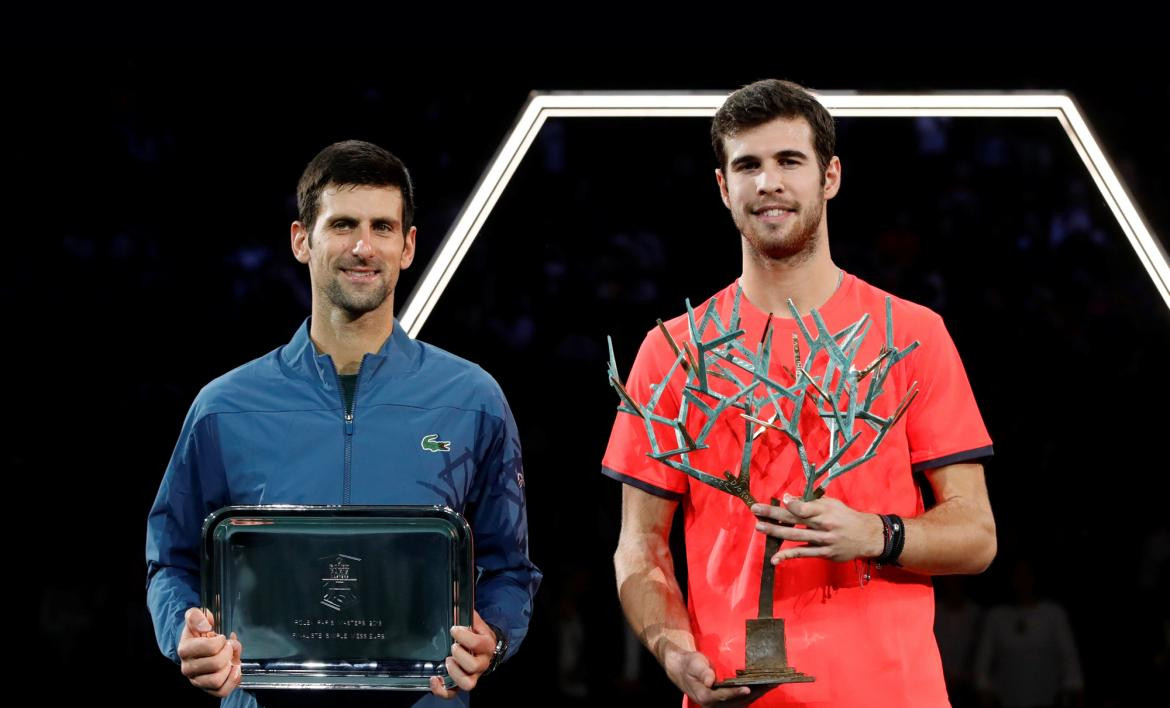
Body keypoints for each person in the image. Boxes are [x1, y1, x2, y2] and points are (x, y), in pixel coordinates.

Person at [604, 80, 997, 707]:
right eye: (748, 165)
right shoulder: (672, 351)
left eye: (790, 161)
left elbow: (976, 535)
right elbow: (641, 547)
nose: (768, 182)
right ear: (722, 187)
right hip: (732, 694)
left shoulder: (913, 334)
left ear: (830, 176)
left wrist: (877, 534)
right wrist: (674, 654)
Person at [146, 140, 541, 707]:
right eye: (342, 225)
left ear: (407, 247)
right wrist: (180, 631)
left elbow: (510, 568)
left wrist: (494, 636)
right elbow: (172, 559)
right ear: (301, 240)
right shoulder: (223, 407)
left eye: (383, 227)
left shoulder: (473, 399)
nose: (363, 246)